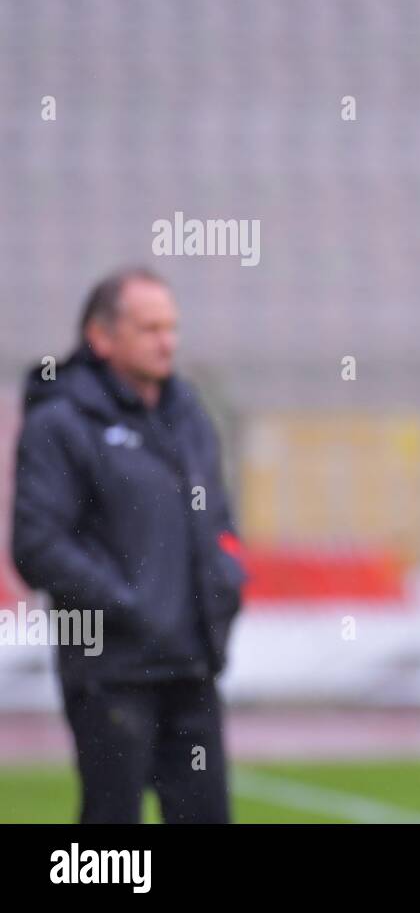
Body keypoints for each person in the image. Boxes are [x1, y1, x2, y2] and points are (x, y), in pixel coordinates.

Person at [11, 266, 246, 823]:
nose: (167, 341)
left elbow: (219, 521)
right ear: (101, 336)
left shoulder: (187, 415)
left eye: (172, 327)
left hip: (192, 665)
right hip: (111, 672)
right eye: (149, 328)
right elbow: (36, 544)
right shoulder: (61, 425)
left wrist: (227, 585)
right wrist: (127, 605)